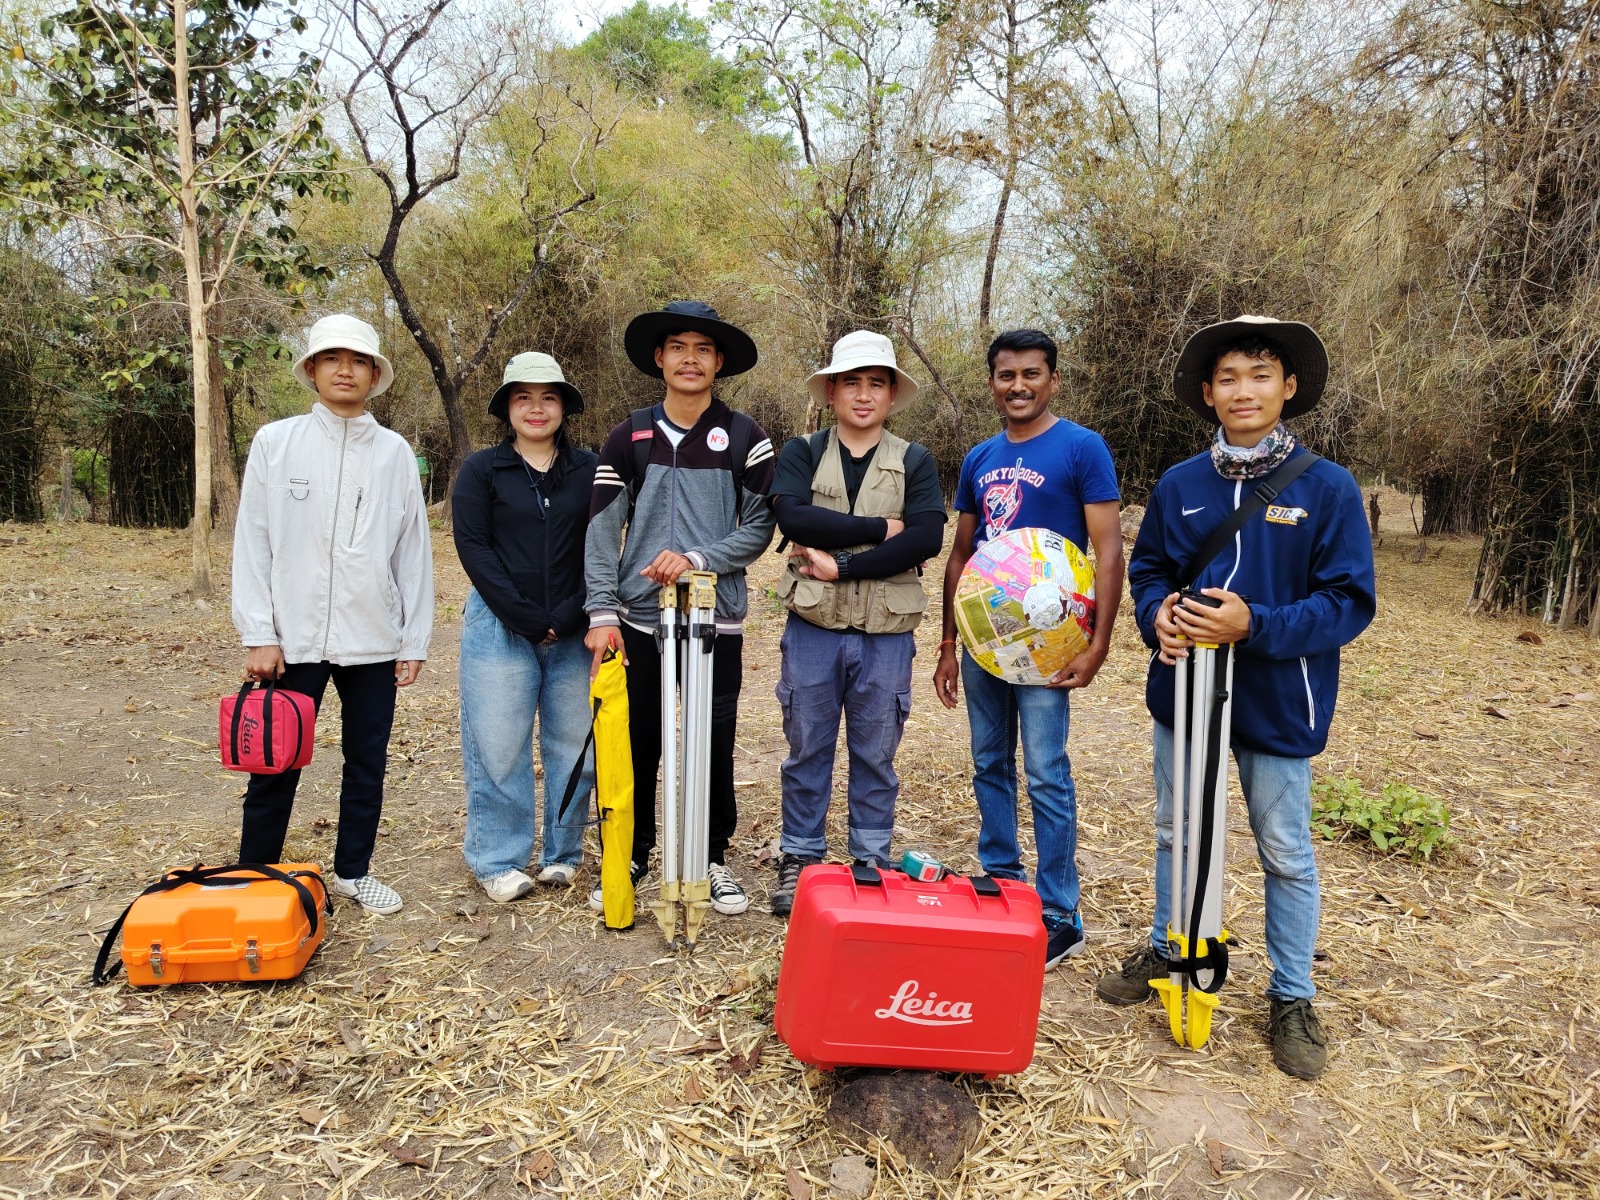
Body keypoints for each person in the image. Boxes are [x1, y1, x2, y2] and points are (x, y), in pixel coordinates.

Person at [1095, 315, 1375, 1081]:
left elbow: (1350, 601)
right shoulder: (1183, 484)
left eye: (1260, 375)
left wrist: (1257, 623)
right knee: (1175, 831)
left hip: (1282, 698)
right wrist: (1157, 616)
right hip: (1184, 689)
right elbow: (1149, 571)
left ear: (1288, 388)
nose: (1243, 390)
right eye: (1228, 378)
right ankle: (1170, 943)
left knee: (1284, 851)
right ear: (1208, 395)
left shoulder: (1328, 487)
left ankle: (1292, 995)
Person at [933, 329, 1124, 969]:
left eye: (1031, 374)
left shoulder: (1081, 448)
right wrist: (947, 643)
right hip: (988, 645)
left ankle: (1059, 910)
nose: (1018, 386)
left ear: (1053, 380)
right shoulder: (979, 457)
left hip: (1050, 646)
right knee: (989, 761)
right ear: (991, 382)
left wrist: (1097, 645)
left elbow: (1109, 551)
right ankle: (1000, 883)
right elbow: (962, 554)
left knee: (1045, 771)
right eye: (1006, 375)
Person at [232, 314, 433, 915]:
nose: (345, 371)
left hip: (372, 635)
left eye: (358, 361)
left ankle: (353, 870)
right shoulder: (276, 442)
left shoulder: (394, 453)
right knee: (274, 758)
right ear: (313, 371)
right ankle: (257, 873)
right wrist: (259, 633)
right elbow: (254, 541)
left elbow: (412, 549)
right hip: (292, 639)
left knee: (366, 758)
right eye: (332, 360)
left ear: (374, 374)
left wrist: (413, 639)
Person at [583, 300, 776, 918]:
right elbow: (600, 528)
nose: (689, 360)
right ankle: (634, 853)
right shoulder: (630, 434)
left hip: (713, 618)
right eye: (678, 348)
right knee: (641, 740)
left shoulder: (746, 435)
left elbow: (759, 529)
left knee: (713, 740)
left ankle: (712, 858)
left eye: (703, 350)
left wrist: (695, 556)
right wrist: (601, 611)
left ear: (719, 362)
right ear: (659, 359)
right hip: (640, 617)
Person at [766, 331, 946, 916]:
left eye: (876, 384)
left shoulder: (914, 459)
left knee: (876, 750)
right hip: (813, 630)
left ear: (892, 395)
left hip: (886, 635)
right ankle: (801, 856)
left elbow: (925, 537)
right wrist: (878, 529)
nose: (863, 396)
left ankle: (870, 859)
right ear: (831, 392)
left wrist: (838, 563)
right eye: (851, 383)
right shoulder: (801, 451)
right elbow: (792, 515)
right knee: (807, 745)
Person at [452, 352, 598, 903]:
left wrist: (567, 614)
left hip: (575, 628)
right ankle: (498, 859)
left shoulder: (589, 469)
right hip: (499, 626)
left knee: (571, 741)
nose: (536, 408)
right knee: (499, 745)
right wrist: (522, 616)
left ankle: (563, 854)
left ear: (563, 406)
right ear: (507, 408)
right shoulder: (482, 470)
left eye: (548, 397)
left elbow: (603, 545)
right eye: (523, 397)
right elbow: (474, 546)